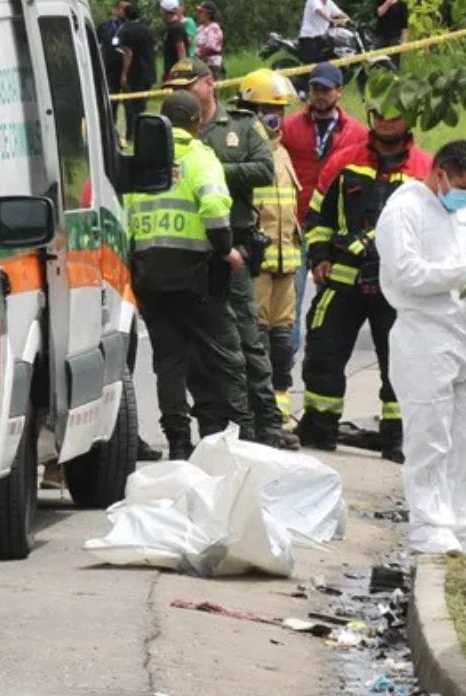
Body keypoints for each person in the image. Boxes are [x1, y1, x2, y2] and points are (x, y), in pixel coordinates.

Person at [164, 58, 301, 450]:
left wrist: (209, 168)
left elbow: (262, 169)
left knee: (248, 339)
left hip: (232, 247)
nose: (181, 94)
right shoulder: (168, 129)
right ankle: (211, 428)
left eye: (187, 85)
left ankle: (265, 427)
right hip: (187, 252)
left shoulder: (240, 126)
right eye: (175, 88)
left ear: (209, 84)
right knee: (194, 349)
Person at [377, 140, 466, 557]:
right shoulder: (405, 210)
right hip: (424, 333)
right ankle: (429, 525)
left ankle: (462, 525)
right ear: (440, 173)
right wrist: (463, 269)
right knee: (429, 433)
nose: (465, 193)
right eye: (461, 184)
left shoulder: (465, 213)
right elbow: (406, 274)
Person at [297, 93, 431, 461]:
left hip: (396, 286)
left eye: (394, 115)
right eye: (379, 114)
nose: (386, 121)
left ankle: (397, 439)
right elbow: (316, 216)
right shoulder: (344, 162)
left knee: (401, 361)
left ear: (410, 118)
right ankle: (319, 428)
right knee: (323, 352)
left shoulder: (424, 171)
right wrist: (320, 256)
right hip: (342, 279)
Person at [125, 90, 253, 460]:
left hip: (150, 276)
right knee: (225, 356)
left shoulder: (143, 161)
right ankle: (234, 440)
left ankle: (179, 442)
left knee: (169, 362)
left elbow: (126, 214)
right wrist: (225, 247)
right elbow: (213, 204)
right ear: (198, 122)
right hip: (196, 275)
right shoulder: (200, 156)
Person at [280, 61, 369, 355]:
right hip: (295, 224)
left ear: (339, 92)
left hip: (334, 229)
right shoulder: (290, 127)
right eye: (315, 89)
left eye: (325, 90)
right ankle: (285, 363)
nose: (319, 95)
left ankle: (321, 355)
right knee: (290, 298)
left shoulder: (356, 133)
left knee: (329, 299)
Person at [240, 69, 303, 427]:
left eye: (280, 108)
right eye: (268, 107)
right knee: (257, 340)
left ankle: (279, 409)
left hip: (286, 264)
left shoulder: (281, 153)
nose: (276, 116)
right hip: (257, 265)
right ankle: (257, 412)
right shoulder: (250, 152)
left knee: (282, 343)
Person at [116, 5, 156, 142]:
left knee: (130, 108)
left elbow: (128, 53)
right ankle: (141, 135)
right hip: (148, 74)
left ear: (126, 16)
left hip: (135, 74)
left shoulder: (126, 30)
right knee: (141, 107)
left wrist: (124, 74)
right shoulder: (146, 29)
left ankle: (132, 136)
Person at [98, 1, 132, 92]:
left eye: (127, 9)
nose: (125, 11)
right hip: (110, 67)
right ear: (115, 10)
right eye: (123, 9)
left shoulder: (132, 27)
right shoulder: (105, 27)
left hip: (129, 67)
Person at [194, 2, 224, 79]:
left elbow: (210, 48)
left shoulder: (214, 28)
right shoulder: (199, 29)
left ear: (209, 14)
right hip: (200, 65)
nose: (198, 14)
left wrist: (196, 54)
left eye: (201, 12)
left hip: (211, 65)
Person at [374, 0, 410, 65]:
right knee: (376, 59)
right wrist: (388, 3)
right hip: (381, 36)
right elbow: (379, 13)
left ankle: (394, 73)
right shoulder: (381, 1)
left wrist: (404, 41)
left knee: (393, 61)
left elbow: (404, 25)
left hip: (395, 37)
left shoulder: (402, 5)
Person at [159, 0, 191, 69]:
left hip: (176, 73)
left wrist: (181, 71)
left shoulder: (175, 28)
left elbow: (181, 51)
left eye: (161, 10)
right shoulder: (171, 27)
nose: (160, 12)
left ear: (165, 11)